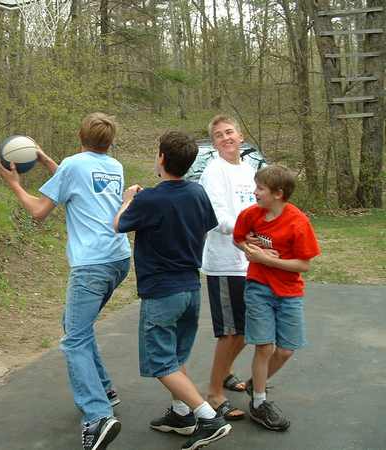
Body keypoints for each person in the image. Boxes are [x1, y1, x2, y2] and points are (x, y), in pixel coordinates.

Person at [0, 113, 131, 450]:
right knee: (76, 327)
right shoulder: (113, 167)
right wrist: (44, 160)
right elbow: (76, 183)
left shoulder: (74, 165)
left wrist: (14, 184)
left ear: (79, 136)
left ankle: (97, 416)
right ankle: (104, 389)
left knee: (74, 339)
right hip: (119, 259)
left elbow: (39, 212)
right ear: (109, 141)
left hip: (92, 265)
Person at [114, 131, 232, 450]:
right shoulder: (197, 192)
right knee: (176, 356)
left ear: (162, 158)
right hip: (191, 288)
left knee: (161, 362)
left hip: (162, 291)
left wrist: (128, 200)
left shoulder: (149, 199)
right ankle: (181, 414)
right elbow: (204, 227)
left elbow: (118, 224)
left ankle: (208, 417)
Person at [233, 165, 320, 431]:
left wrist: (267, 259)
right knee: (264, 347)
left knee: (285, 350)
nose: (255, 192)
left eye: (260, 188)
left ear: (278, 194)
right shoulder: (251, 215)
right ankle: (259, 403)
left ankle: (254, 384)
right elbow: (238, 239)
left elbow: (304, 265)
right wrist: (249, 248)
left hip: (289, 292)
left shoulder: (298, 222)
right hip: (258, 287)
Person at [198, 114, 257, 421]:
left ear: (240, 135)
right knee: (231, 332)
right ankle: (213, 393)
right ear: (214, 143)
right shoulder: (213, 172)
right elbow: (218, 218)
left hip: (251, 260)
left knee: (247, 329)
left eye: (229, 132)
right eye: (219, 135)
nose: (225, 138)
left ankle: (225, 373)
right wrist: (250, 234)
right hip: (225, 263)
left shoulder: (249, 169)